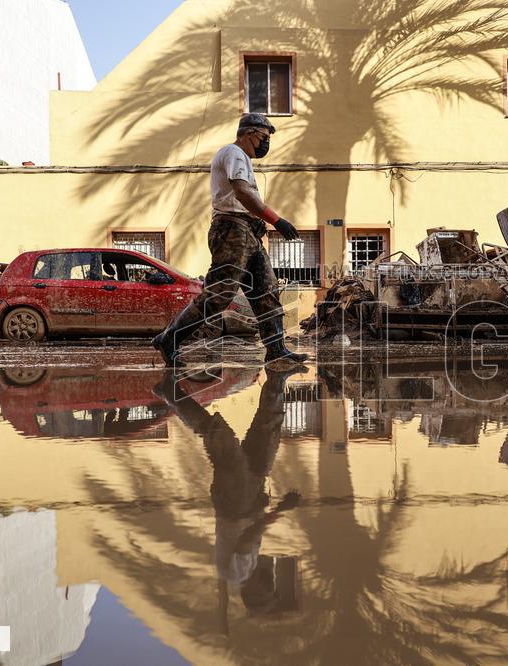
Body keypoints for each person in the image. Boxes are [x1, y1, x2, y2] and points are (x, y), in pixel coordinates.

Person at [153, 367, 303, 634]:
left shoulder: (237, 575)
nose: (271, 585)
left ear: (255, 594)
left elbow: (247, 537)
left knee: (220, 437)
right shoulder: (246, 571)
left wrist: (281, 510)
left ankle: (170, 394)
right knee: (266, 434)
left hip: (235, 503)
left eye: (269, 592)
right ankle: (276, 381)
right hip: (249, 500)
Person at [152, 113, 309, 366]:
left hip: (248, 232)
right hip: (232, 230)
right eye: (264, 137)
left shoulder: (242, 158)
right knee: (220, 294)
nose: (266, 143)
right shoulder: (233, 153)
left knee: (266, 292)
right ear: (249, 133)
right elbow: (242, 193)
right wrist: (276, 220)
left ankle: (276, 349)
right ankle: (170, 338)